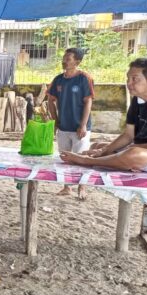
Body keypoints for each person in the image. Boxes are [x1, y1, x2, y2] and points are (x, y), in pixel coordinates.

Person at [61, 58, 147, 173]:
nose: (129, 83)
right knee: (97, 146)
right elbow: (128, 135)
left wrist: (127, 149)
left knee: (133, 154)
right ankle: (118, 162)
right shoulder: (138, 98)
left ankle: (87, 161)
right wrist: (105, 150)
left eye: (134, 79)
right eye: (128, 78)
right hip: (144, 150)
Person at [47, 48, 94, 200]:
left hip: (79, 127)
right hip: (63, 126)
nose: (64, 60)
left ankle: (82, 187)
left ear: (77, 62)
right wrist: (55, 121)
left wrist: (83, 125)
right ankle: (67, 187)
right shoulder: (58, 79)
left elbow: (88, 102)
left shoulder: (84, 78)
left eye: (68, 58)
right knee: (65, 157)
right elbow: (50, 100)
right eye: (64, 57)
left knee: (82, 158)